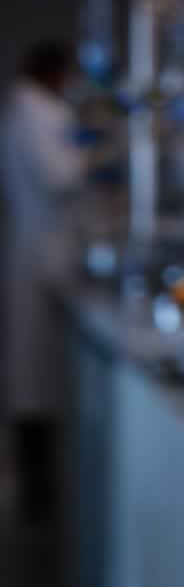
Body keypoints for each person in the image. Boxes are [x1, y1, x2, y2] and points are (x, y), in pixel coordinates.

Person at [0, 41, 85, 518]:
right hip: (42, 251)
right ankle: (36, 488)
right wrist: (92, 157)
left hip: (36, 249)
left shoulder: (25, 110)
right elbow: (59, 177)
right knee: (33, 377)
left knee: (33, 375)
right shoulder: (36, 113)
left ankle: (38, 482)